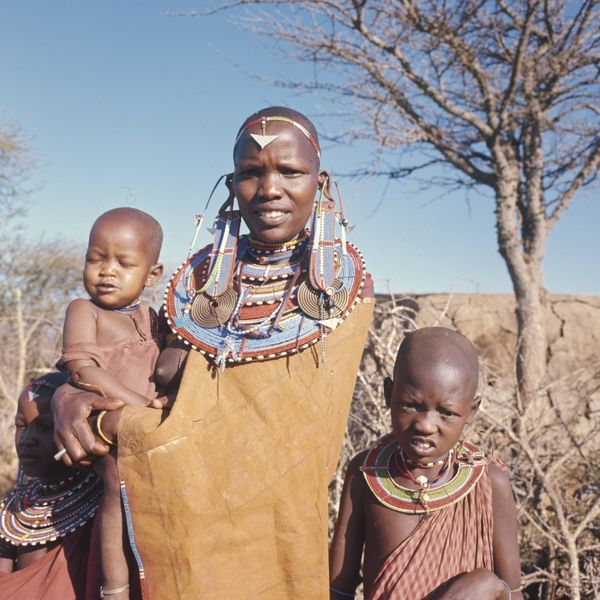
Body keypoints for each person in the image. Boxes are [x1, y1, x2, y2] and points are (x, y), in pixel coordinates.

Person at [52, 106, 375, 599]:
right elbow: (156, 384)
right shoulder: (196, 286)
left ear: (320, 180)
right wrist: (67, 395)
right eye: (250, 173)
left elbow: (282, 438)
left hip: (272, 532)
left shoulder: (342, 288)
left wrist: (111, 423)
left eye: (289, 171)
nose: (268, 188)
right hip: (171, 527)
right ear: (231, 186)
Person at [329, 327, 523, 600]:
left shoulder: (489, 484)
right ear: (388, 394)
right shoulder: (365, 474)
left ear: (471, 411)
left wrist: (489, 587)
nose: (425, 425)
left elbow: (513, 594)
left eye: (446, 412)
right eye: (410, 405)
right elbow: (338, 589)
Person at [56, 207, 166, 600]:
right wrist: (140, 406)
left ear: (153, 275)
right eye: (96, 259)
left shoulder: (154, 319)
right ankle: (114, 588)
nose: (107, 271)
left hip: (151, 432)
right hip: (110, 428)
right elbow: (83, 370)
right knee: (116, 494)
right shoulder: (84, 311)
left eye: (124, 263)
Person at [0, 373, 103, 599]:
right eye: (21, 426)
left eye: (45, 427)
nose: (27, 439)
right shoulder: (11, 511)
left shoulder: (104, 502)